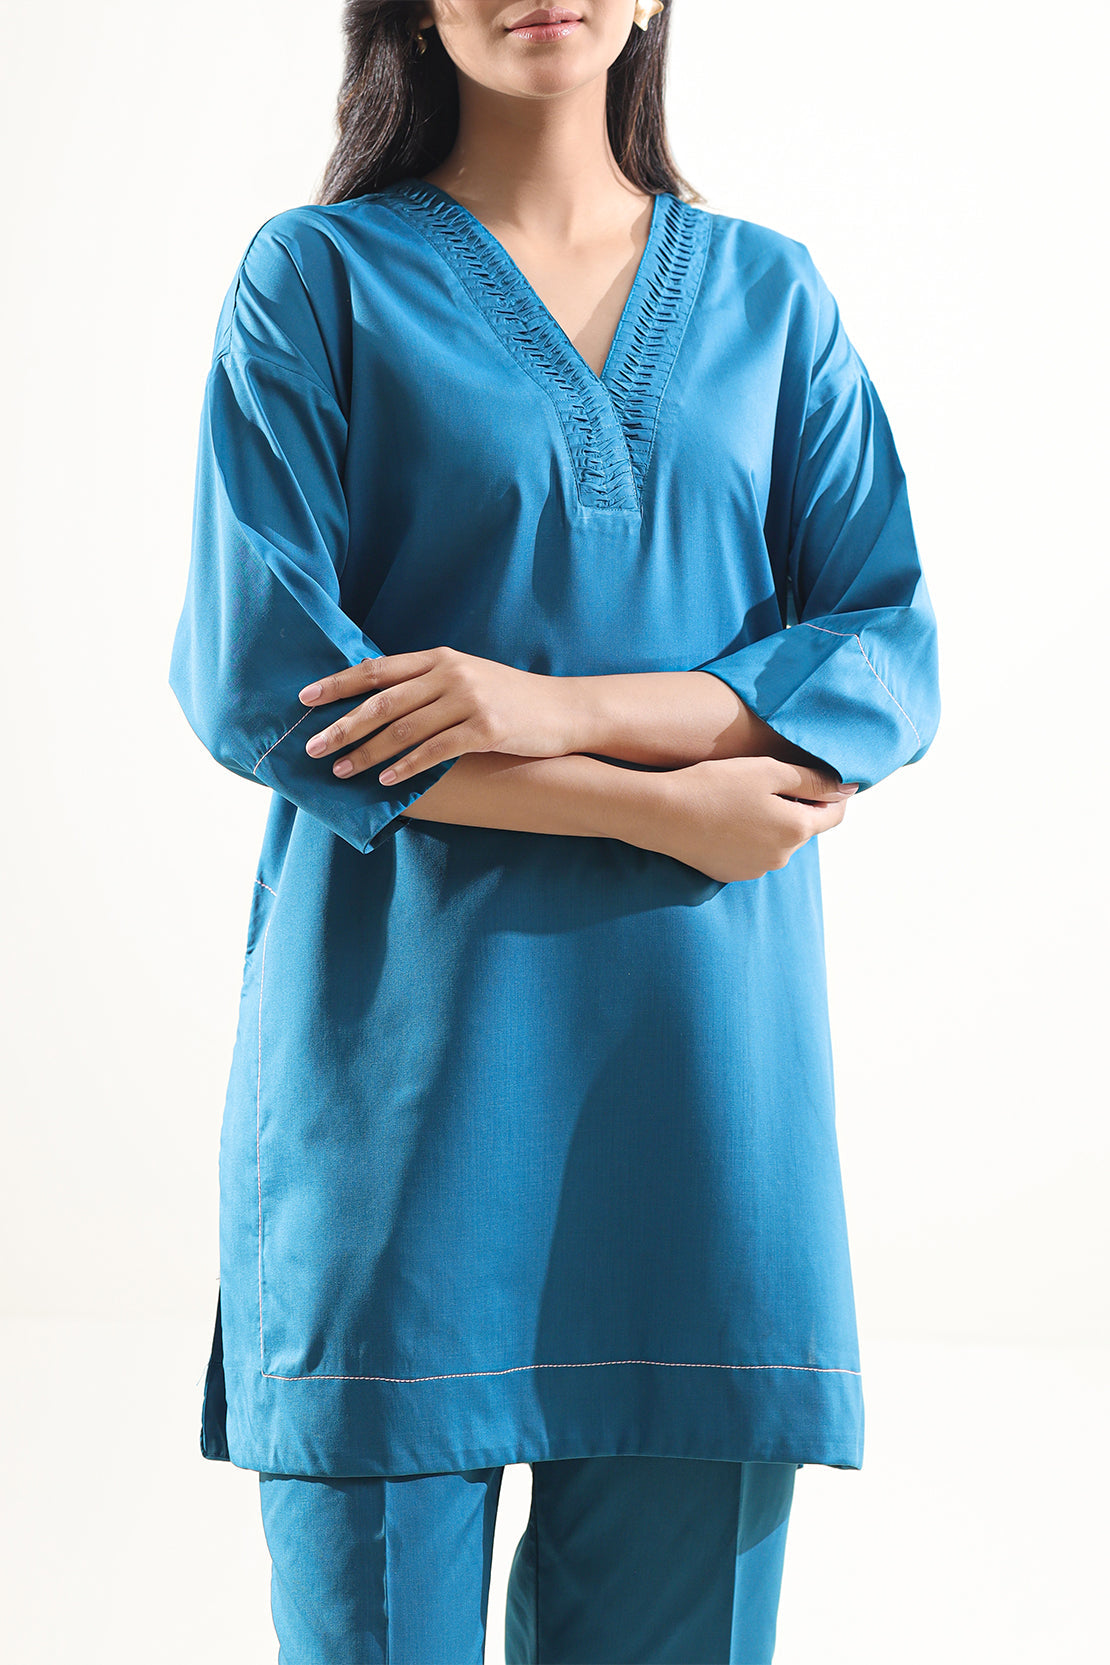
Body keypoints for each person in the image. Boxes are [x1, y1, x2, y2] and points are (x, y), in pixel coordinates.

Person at [168, 1, 941, 1659]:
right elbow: (266, 680)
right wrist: (659, 808)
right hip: (400, 1105)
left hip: (704, 1115)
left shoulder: (769, 297)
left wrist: (553, 705)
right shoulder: (318, 280)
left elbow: (882, 654)